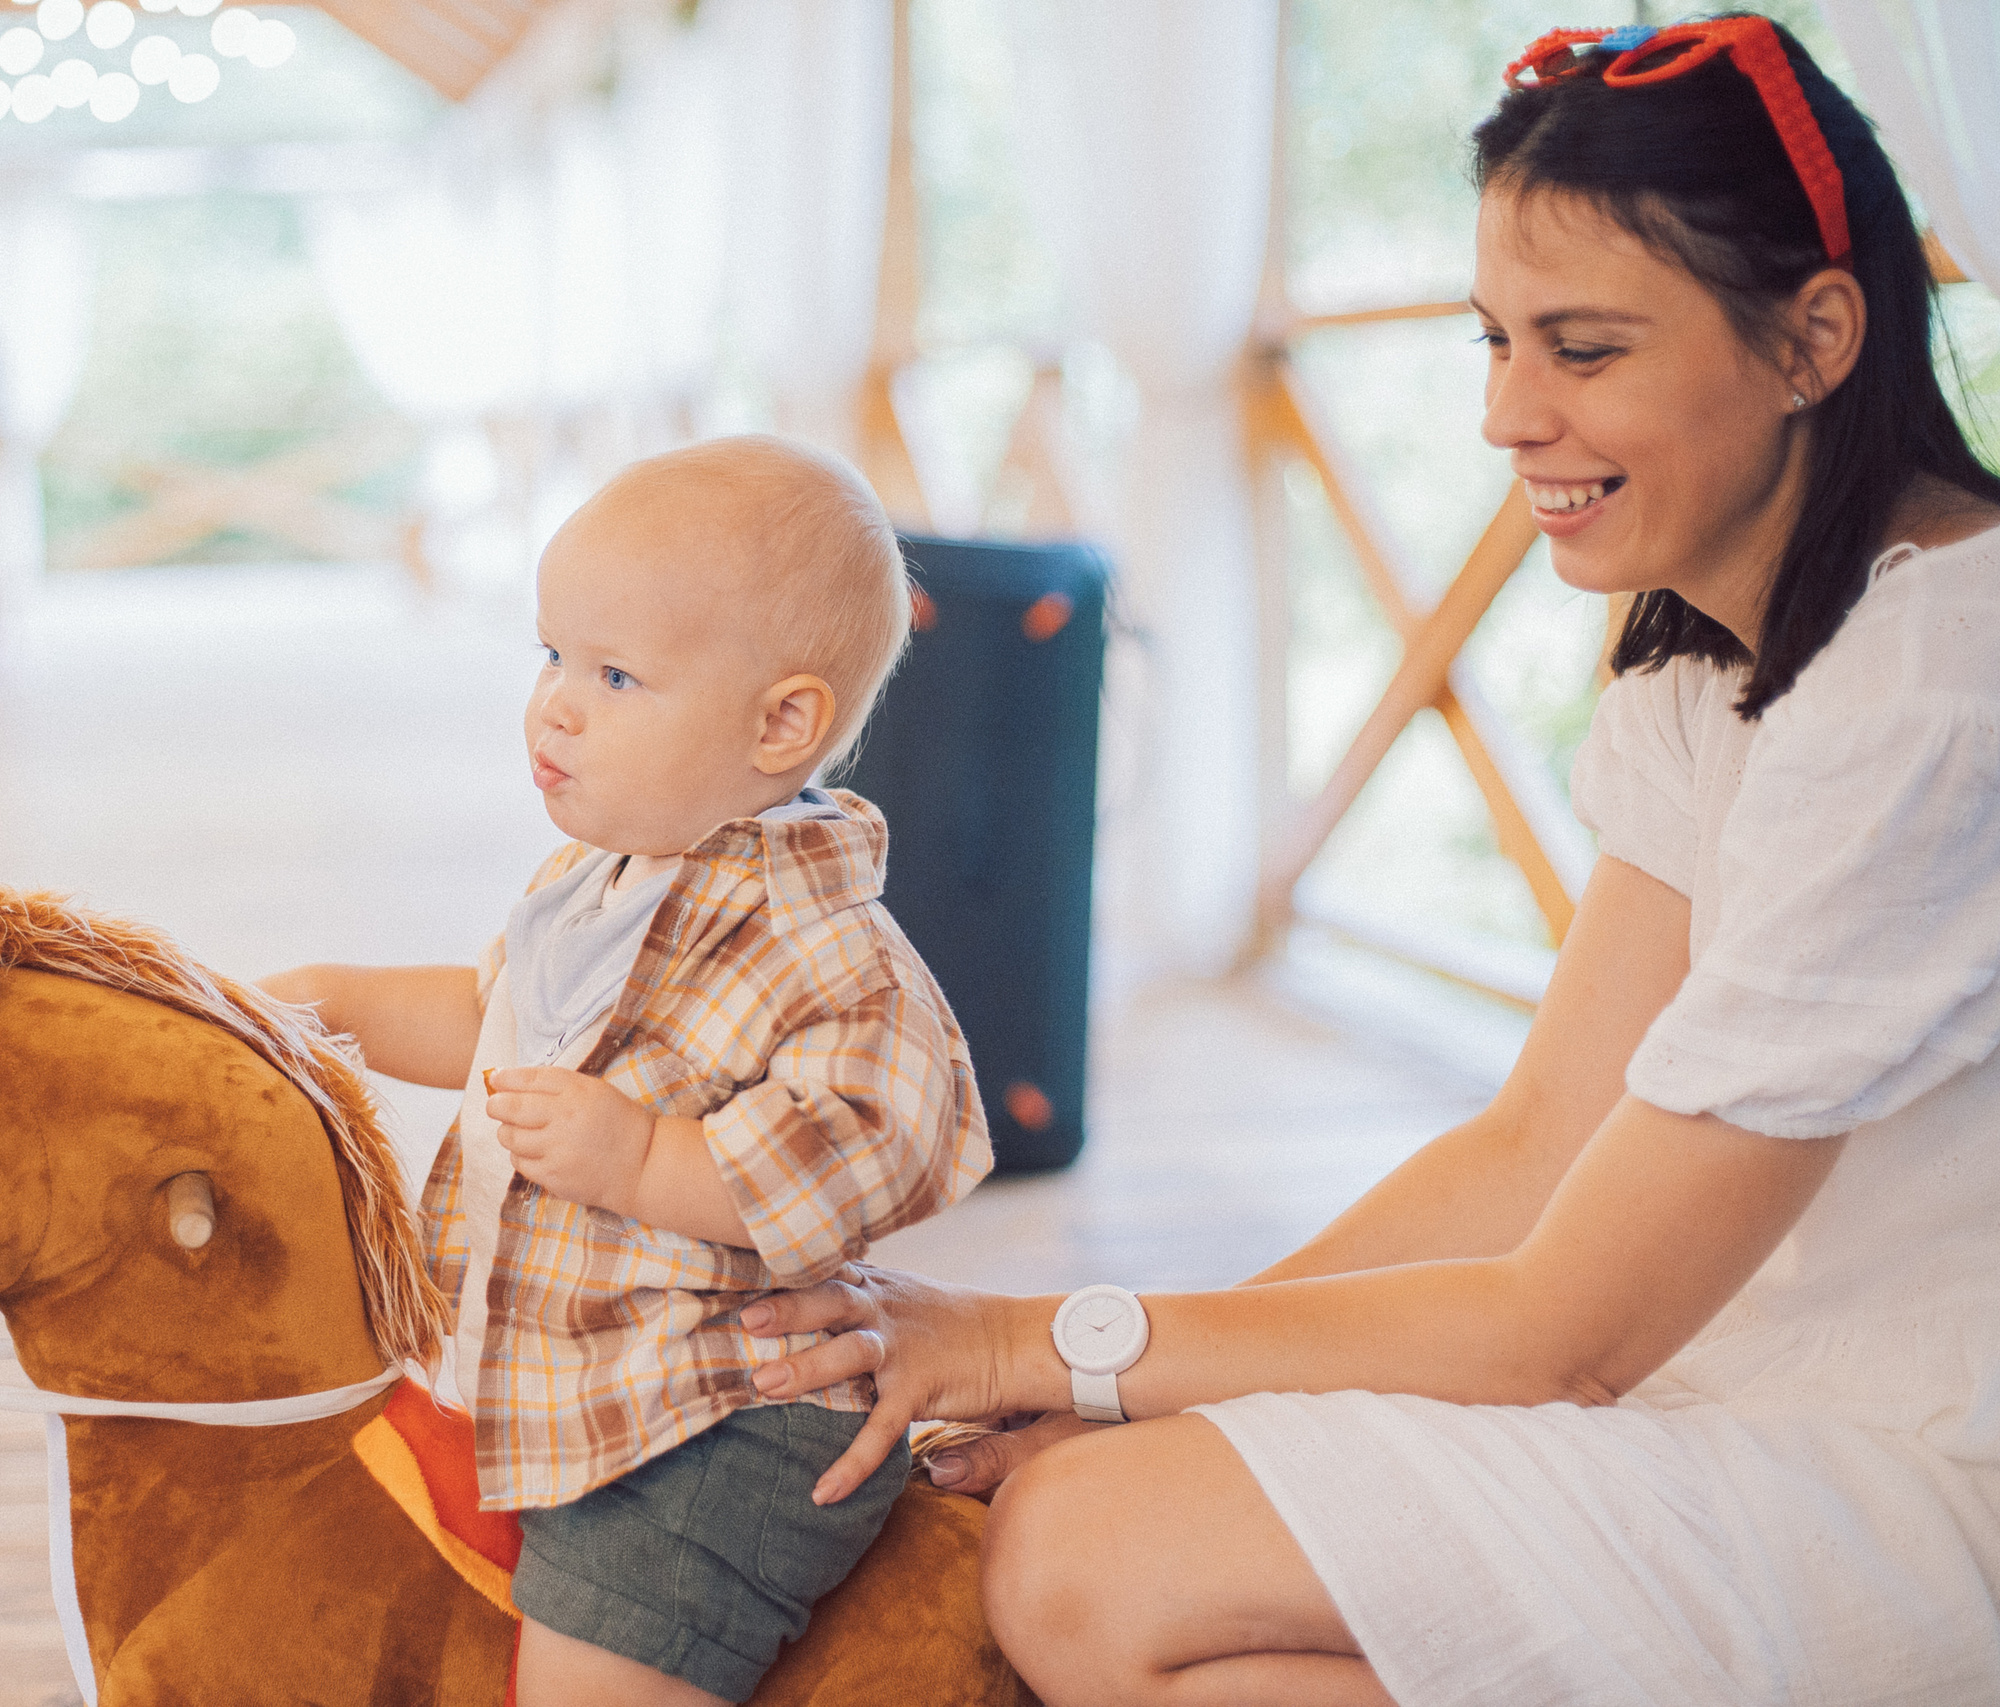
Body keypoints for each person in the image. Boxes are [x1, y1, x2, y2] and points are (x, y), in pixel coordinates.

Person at [737, 17, 2000, 1706]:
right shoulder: (1717, 648)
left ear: (1815, 337)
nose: (1504, 414)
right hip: (1738, 1383)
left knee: (1085, 1555)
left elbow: (1565, 1331)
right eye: (1494, 341)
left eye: (1586, 348)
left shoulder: (1927, 689)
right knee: (1114, 1549)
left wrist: (1041, 1338)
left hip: (1913, 1469)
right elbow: (1538, 1136)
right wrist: (1137, 1378)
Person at [265, 435, 991, 1706]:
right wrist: (339, 1006)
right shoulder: (604, 877)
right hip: (585, 1377)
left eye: (614, 673)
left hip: (717, 1430)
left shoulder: (827, 950)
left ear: (781, 723)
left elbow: (868, 1152)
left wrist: (643, 1156)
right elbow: (500, 1026)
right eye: (549, 656)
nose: (555, 704)